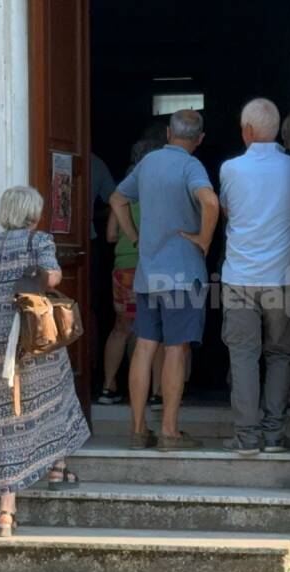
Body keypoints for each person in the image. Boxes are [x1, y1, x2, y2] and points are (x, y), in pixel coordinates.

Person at [0, 186, 91, 536]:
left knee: (8, 417)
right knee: (57, 393)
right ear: (32, 214)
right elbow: (53, 277)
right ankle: (58, 468)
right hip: (34, 337)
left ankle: (6, 512)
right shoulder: (39, 241)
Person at [109, 109, 220, 451]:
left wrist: (133, 235)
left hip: (148, 274)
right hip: (182, 275)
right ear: (199, 139)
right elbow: (211, 201)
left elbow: (117, 198)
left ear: (169, 133)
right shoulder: (191, 165)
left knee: (144, 347)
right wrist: (204, 240)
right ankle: (170, 432)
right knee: (176, 349)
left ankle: (138, 429)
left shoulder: (148, 163)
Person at [219, 98, 290, 456]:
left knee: (243, 356)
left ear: (247, 131)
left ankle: (247, 437)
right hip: (283, 277)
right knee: (280, 354)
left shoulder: (230, 169)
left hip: (240, 277)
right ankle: (274, 435)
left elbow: (226, 211)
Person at [99, 139, 166, 407]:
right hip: (155, 267)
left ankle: (108, 387)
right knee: (158, 331)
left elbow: (110, 235)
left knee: (121, 328)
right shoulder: (161, 190)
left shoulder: (124, 191)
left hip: (125, 267)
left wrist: (131, 236)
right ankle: (158, 392)